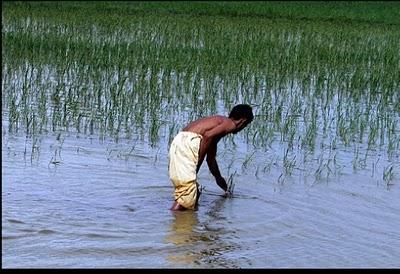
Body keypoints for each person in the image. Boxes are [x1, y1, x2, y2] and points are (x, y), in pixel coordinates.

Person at [168, 104, 254, 211]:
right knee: (188, 193)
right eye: (246, 125)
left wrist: (218, 178)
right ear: (243, 120)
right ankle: (172, 218)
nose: (243, 128)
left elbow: (211, 159)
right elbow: (207, 137)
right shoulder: (229, 124)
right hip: (189, 142)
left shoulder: (218, 126)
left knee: (195, 192)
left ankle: (190, 221)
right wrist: (197, 165)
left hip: (179, 141)